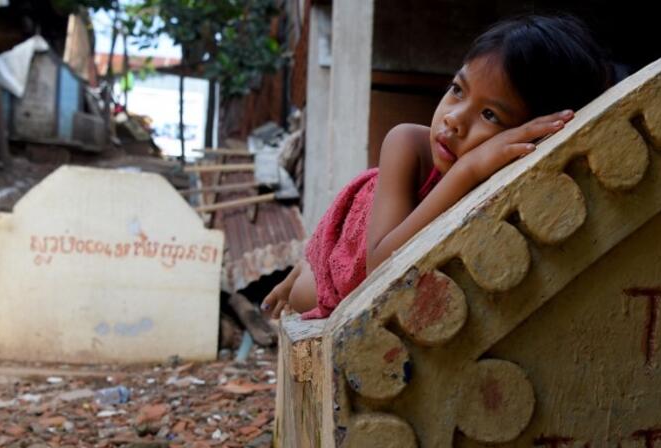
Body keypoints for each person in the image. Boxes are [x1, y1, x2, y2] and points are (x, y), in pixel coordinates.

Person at [263, 14, 613, 319]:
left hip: (377, 244)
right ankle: (304, 265)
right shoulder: (407, 144)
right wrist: (467, 170)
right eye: (458, 89)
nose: (453, 118)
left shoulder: (512, 183)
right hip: (356, 245)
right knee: (300, 295)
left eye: (490, 115)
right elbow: (378, 269)